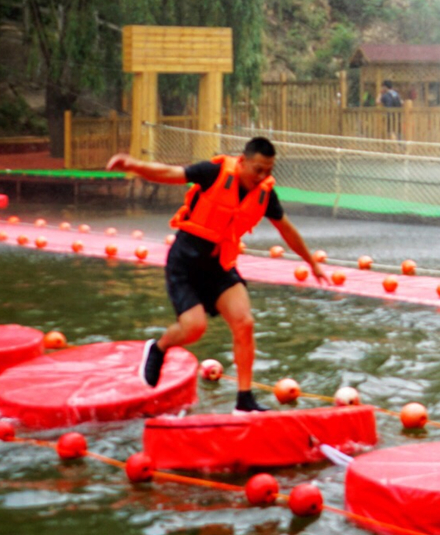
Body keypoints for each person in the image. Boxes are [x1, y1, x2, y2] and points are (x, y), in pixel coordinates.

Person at [109, 136, 331, 408]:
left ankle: (244, 399)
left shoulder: (265, 194)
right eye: (257, 169)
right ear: (242, 161)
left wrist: (312, 262)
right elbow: (170, 173)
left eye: (268, 171)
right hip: (185, 263)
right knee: (195, 327)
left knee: (244, 323)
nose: (262, 177)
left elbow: (286, 229)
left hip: (219, 266)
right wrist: (133, 165)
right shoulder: (214, 173)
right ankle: (158, 348)